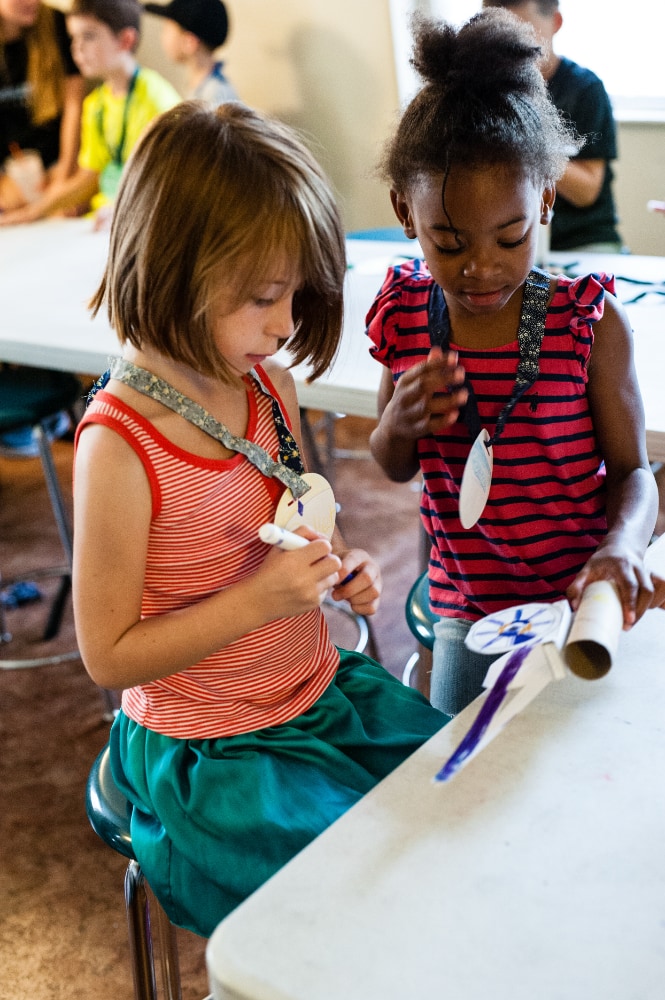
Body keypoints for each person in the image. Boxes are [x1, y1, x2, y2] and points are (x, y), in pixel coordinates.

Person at [72, 100, 447, 937]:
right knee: (364, 898)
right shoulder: (120, 445)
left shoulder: (265, 385)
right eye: (262, 298)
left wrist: (341, 563)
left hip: (318, 698)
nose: (283, 326)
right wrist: (260, 600)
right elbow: (108, 653)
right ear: (173, 271)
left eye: (294, 296)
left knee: (461, 798)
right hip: (212, 754)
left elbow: (302, 515)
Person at [366, 10, 659, 717]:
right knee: (461, 764)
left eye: (509, 237)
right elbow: (393, 464)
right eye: (448, 241)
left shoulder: (588, 324)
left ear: (546, 200)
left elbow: (633, 473)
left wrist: (622, 546)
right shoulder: (405, 317)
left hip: (579, 598)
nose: (480, 267)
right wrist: (399, 422)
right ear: (404, 212)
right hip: (470, 611)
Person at [0, 0, 180, 227]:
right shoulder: (95, 105)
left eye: (89, 36)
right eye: (73, 38)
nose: (77, 49)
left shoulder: (157, 101)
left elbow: (169, 183)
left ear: (126, 40)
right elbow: (89, 177)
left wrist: (121, 211)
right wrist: (32, 213)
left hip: (135, 221)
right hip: (101, 221)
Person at [482, 0, 623, 253]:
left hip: (582, 242)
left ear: (555, 22)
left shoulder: (585, 89)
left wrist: (524, 145)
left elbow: (586, 192)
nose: (507, 46)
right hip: (510, 244)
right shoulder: (484, 92)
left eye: (521, 32)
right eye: (495, 34)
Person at [0, 0, 86, 212]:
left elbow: (74, 105)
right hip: (8, 174)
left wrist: (63, 175)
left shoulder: (58, 23)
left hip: (55, 163)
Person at [144, 0, 238, 106]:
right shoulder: (201, 88)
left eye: (166, 30)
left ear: (189, 42)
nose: (162, 37)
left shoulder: (214, 97)